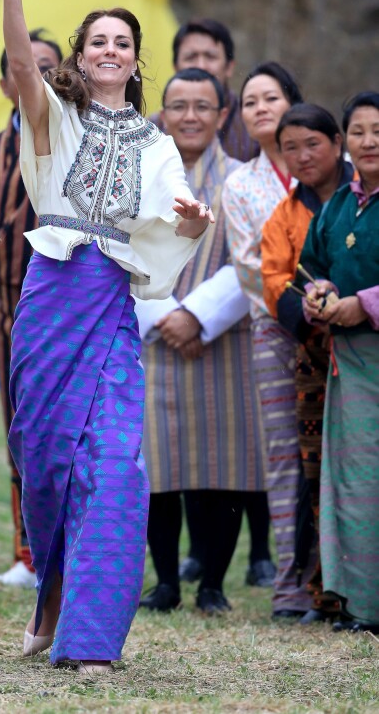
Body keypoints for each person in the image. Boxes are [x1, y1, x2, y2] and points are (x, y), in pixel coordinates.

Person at [0, 0, 212, 673]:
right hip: (51, 294)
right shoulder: (55, 118)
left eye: (122, 41)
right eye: (98, 41)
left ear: (136, 58)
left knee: (113, 466)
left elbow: (177, 208)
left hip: (111, 304)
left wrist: (193, 217)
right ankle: (51, 592)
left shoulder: (155, 143)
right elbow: (20, 60)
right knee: (43, 463)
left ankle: (91, 639)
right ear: (81, 56)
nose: (109, 50)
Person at [135, 68, 266, 615]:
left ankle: (212, 582)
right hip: (154, 339)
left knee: (223, 467)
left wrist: (197, 316)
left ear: (222, 114)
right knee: (159, 469)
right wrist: (169, 315)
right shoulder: (139, 175)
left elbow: (256, 259)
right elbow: (123, 250)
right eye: (178, 106)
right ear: (162, 114)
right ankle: (165, 581)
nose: (190, 117)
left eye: (202, 107)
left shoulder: (242, 178)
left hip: (224, 338)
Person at [222, 62, 318, 620]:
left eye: (271, 96)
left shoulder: (335, 169)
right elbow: (249, 267)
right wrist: (302, 312)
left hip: (344, 330)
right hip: (275, 331)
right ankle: (290, 585)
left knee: (335, 454)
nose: (260, 107)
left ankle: (341, 579)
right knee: (284, 457)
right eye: (250, 100)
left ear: (293, 102)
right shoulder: (239, 184)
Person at [0, 29, 63, 589]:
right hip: (11, 312)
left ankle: (66, 552)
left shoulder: (70, 138)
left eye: (47, 65)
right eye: (23, 65)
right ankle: (26, 555)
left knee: (65, 431)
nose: (34, 74)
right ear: (7, 81)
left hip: (66, 309)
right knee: (19, 431)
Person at [261, 103, 354, 624]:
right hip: (315, 354)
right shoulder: (286, 214)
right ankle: (323, 591)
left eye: (312, 144)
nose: (301, 156)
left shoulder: (361, 201)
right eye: (289, 147)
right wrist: (311, 310)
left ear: (337, 143)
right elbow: (276, 280)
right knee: (316, 470)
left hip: (366, 341)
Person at [299, 91, 379, 634]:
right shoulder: (337, 205)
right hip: (349, 365)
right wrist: (321, 294)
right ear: (345, 141)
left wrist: (364, 304)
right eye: (359, 132)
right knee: (354, 482)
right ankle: (361, 604)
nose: (369, 142)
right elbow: (312, 264)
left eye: (378, 131)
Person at [150, 18, 260, 163]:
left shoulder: (253, 124)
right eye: (191, 57)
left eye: (210, 57)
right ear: (175, 67)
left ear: (229, 67)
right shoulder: (152, 130)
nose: (200, 65)